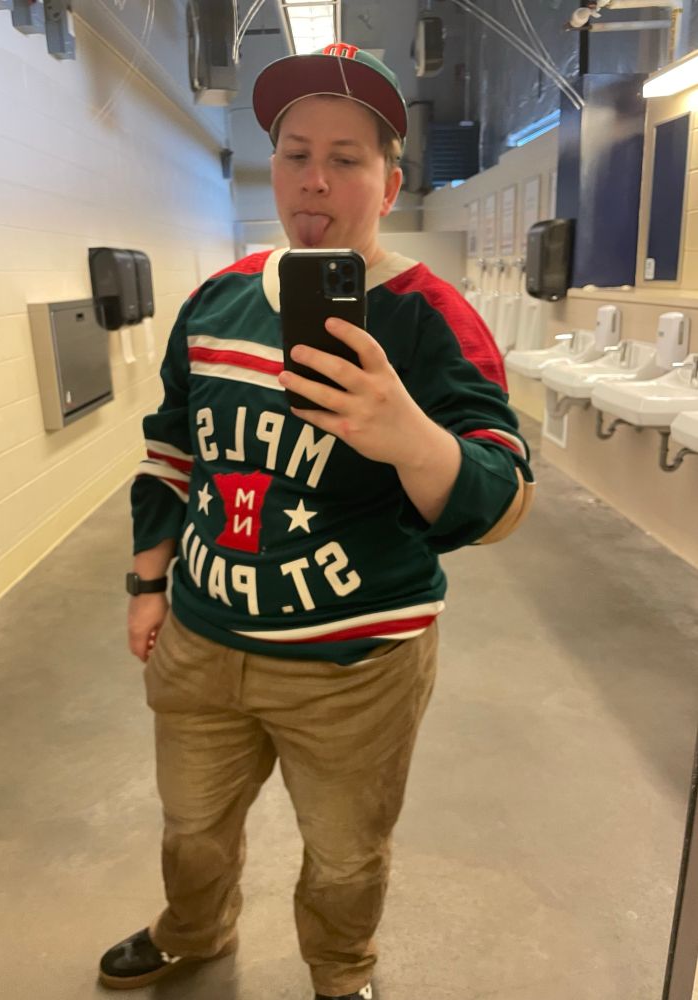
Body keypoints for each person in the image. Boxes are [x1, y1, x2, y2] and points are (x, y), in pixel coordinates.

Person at [98, 42, 534, 1000]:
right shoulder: (216, 300)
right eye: (296, 153)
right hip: (204, 643)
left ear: (390, 180)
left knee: (343, 857)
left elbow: (502, 499)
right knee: (190, 828)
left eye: (348, 157)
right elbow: (172, 451)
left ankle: (342, 975)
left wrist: (408, 434)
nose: (317, 180)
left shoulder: (428, 319)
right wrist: (145, 582)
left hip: (354, 667)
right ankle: (194, 931)